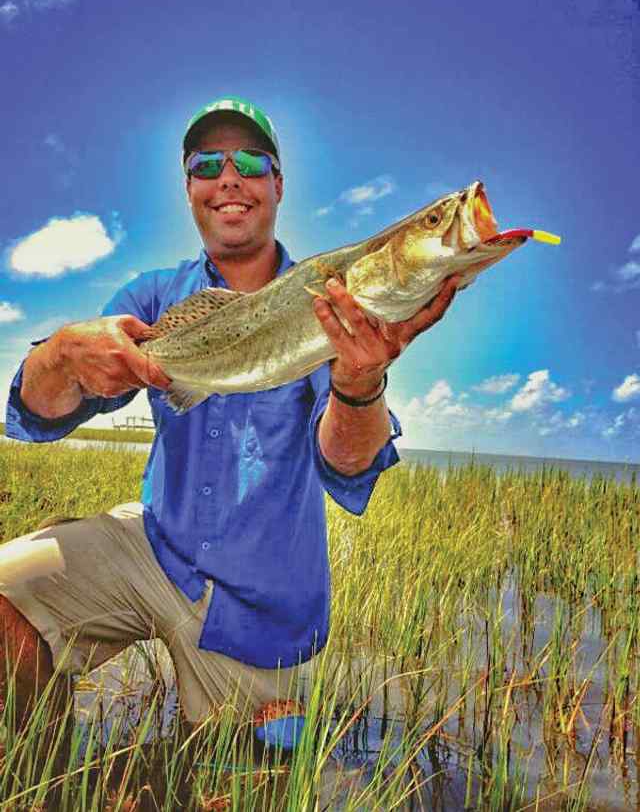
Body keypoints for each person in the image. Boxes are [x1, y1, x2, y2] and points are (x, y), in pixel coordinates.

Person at [0, 96, 458, 751]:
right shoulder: (155, 294)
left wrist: (359, 381)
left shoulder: (326, 299)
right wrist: (62, 355)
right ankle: (43, 774)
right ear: (189, 187)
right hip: (152, 547)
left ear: (277, 183)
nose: (228, 177)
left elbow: (349, 465)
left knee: (243, 774)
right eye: (207, 164)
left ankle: (250, 722)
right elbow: (40, 413)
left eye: (249, 160)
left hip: (259, 607)